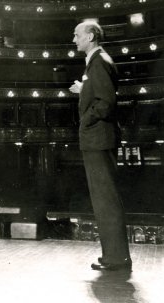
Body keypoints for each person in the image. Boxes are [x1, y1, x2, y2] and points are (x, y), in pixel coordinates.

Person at [69, 21, 132, 271]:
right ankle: (114, 256)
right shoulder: (98, 62)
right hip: (99, 138)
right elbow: (99, 92)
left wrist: (86, 120)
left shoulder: (99, 61)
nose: (74, 40)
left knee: (105, 200)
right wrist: (85, 90)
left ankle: (116, 258)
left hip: (98, 137)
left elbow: (105, 102)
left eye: (77, 35)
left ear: (91, 36)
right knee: (104, 199)